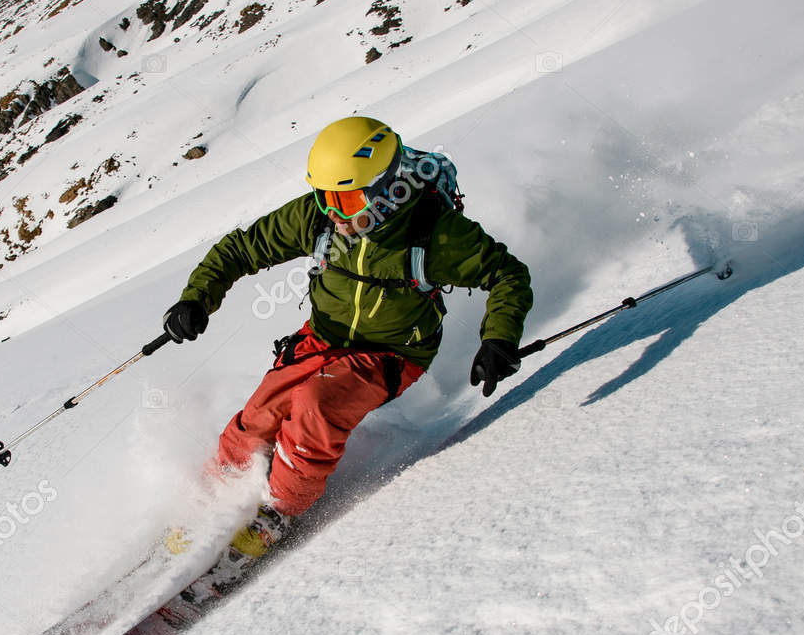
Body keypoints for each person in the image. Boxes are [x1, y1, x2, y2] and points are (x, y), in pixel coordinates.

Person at [162, 116, 533, 555]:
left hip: (391, 353)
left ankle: (276, 512)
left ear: (383, 185)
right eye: (326, 197)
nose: (335, 211)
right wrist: (197, 299)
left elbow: (508, 275)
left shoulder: (434, 233)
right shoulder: (321, 218)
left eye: (349, 197)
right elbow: (244, 247)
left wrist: (499, 339)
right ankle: (213, 499)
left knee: (314, 407)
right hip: (321, 337)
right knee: (261, 413)